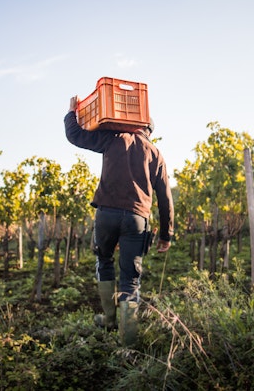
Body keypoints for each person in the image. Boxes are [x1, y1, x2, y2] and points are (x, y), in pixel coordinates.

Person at [64, 96, 174, 346]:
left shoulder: (114, 139)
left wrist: (72, 113)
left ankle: (109, 318)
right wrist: (166, 235)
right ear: (149, 131)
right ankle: (128, 341)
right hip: (137, 219)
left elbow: (76, 136)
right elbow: (165, 198)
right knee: (130, 278)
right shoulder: (155, 153)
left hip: (107, 214)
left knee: (103, 259)